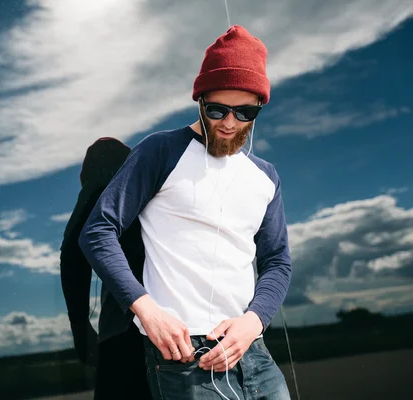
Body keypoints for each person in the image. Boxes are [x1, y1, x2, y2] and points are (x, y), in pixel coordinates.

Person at [79, 25, 292, 400]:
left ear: (260, 106)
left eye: (244, 112)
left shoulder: (266, 177)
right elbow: (97, 231)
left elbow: (277, 262)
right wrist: (146, 311)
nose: (229, 123)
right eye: (217, 109)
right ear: (200, 100)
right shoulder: (160, 151)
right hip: (184, 361)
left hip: (253, 352)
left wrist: (254, 321)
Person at [60, 137, 152, 400]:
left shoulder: (103, 185)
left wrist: (79, 326)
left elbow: (73, 249)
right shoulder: (149, 196)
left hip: (125, 337)